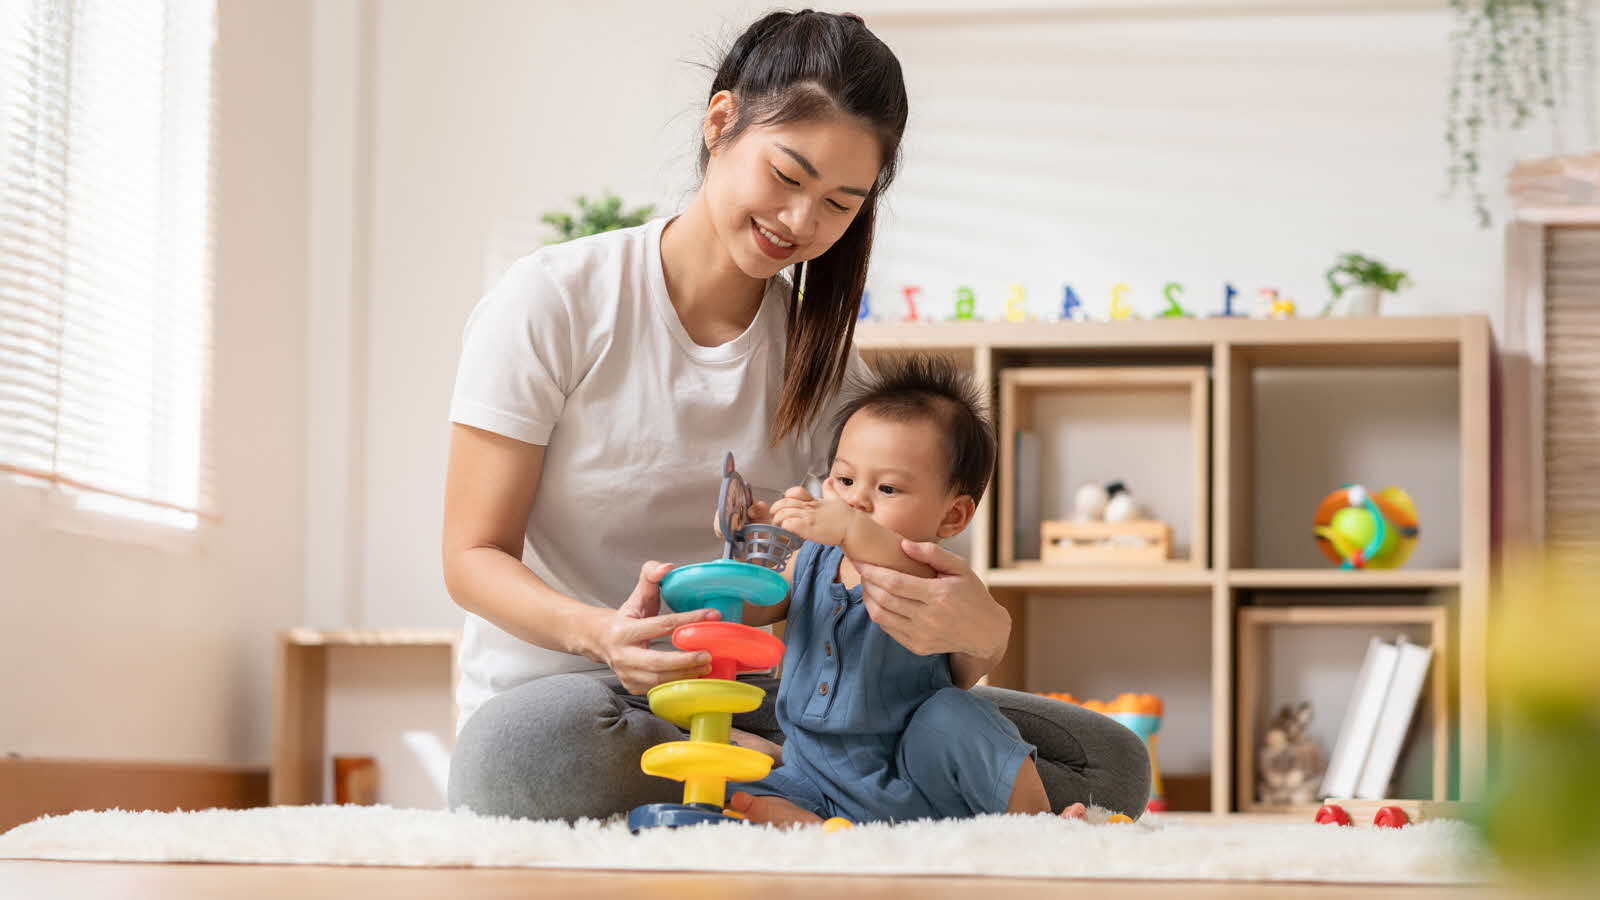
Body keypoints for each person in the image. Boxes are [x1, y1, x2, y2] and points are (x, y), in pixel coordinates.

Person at [442, 9, 1149, 823]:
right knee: (524, 757)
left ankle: (786, 797)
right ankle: (831, 804)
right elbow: (470, 556)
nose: (801, 222)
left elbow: (877, 585)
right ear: (720, 123)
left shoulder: (828, 368)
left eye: (840, 203)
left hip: (774, 703)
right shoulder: (555, 302)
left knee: (1107, 761)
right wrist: (602, 636)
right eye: (787, 175)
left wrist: (979, 633)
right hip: (589, 696)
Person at [726, 355, 1098, 826]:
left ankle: (1038, 824)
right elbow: (754, 605)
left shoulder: (928, 574)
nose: (856, 499)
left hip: (916, 771)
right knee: (723, 783)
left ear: (952, 516)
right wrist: (754, 551)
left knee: (958, 716)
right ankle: (815, 827)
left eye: (887, 488)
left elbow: (883, 552)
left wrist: (846, 527)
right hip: (813, 770)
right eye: (843, 480)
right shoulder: (813, 558)